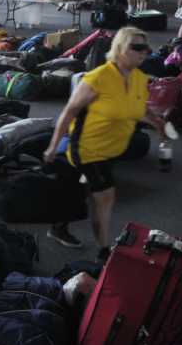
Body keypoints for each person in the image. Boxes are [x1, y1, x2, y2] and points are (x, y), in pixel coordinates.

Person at [43, 27, 164, 260]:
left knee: (79, 188)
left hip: (112, 147)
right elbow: (69, 112)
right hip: (87, 148)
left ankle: (58, 225)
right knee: (105, 197)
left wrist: (156, 121)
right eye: (136, 47)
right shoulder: (98, 78)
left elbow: (136, 108)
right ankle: (103, 252)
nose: (143, 53)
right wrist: (53, 145)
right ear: (119, 48)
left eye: (146, 48)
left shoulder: (140, 78)